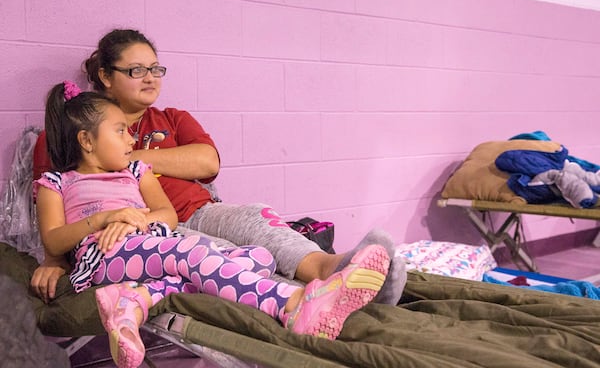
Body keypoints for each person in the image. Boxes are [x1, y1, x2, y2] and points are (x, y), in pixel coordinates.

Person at [31, 28, 406, 306]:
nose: (150, 77)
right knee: (221, 255)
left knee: (258, 220)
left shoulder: (171, 118)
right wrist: (52, 259)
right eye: (136, 70)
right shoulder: (71, 130)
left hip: (195, 212)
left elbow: (208, 161)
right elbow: (57, 204)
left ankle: (332, 268)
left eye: (156, 68)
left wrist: (135, 159)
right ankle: (304, 302)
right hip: (141, 234)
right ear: (105, 77)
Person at [35, 81, 390, 368]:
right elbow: (53, 240)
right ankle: (292, 303)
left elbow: (167, 214)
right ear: (86, 141)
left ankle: (135, 298)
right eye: (121, 131)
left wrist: (136, 220)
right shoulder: (57, 183)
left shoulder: (136, 172)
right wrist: (102, 219)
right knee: (192, 254)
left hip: (147, 240)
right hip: (105, 255)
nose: (131, 140)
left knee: (259, 257)